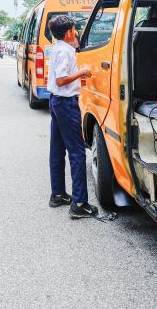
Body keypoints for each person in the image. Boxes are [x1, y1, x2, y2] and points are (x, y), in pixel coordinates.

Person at [46, 14, 97, 219]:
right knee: (77, 152)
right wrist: (82, 72)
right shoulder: (66, 52)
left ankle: (58, 194)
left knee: (57, 149)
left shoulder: (59, 47)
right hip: (66, 103)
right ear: (69, 32)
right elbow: (61, 80)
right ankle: (79, 203)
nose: (76, 33)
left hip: (56, 101)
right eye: (74, 30)